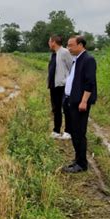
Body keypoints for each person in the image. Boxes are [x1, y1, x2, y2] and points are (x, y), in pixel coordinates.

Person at [62, 35, 97, 173]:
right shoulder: (77, 59)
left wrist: (83, 101)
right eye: (68, 45)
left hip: (79, 103)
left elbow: (90, 83)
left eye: (71, 45)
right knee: (73, 131)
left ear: (81, 45)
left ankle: (81, 164)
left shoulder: (88, 60)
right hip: (71, 100)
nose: (68, 48)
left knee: (79, 133)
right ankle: (77, 159)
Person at [47, 35, 73, 140]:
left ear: (53, 42)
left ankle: (68, 131)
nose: (48, 43)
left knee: (66, 108)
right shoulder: (53, 54)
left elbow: (72, 67)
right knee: (56, 109)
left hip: (63, 86)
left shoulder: (65, 52)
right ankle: (56, 130)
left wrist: (66, 80)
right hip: (54, 85)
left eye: (49, 41)